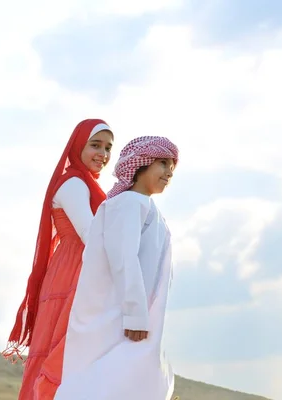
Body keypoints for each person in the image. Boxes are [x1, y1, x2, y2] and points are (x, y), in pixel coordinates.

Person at [53, 136, 180, 400]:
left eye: (172, 166)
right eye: (162, 163)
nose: (169, 172)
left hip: (138, 316)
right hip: (118, 317)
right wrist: (135, 314)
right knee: (106, 382)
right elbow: (122, 258)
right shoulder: (127, 204)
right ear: (140, 165)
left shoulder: (147, 207)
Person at [2, 118, 114, 400]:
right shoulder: (74, 183)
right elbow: (91, 234)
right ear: (78, 146)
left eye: (108, 147)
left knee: (74, 350)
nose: (103, 154)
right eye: (95, 145)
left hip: (82, 266)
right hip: (73, 270)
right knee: (61, 349)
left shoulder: (85, 183)